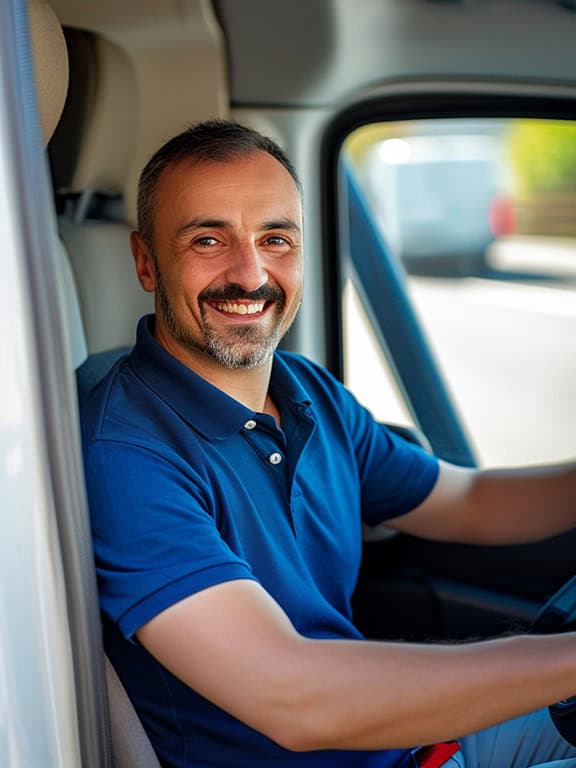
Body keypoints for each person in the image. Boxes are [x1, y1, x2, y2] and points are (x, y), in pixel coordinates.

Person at [81, 119, 576, 768]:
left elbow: (467, 500)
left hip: (404, 746)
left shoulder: (304, 389)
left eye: (276, 239)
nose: (250, 273)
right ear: (146, 260)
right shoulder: (126, 453)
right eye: (209, 239)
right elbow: (294, 696)